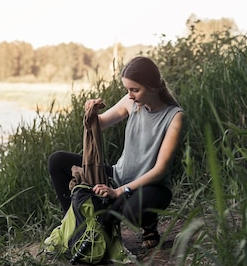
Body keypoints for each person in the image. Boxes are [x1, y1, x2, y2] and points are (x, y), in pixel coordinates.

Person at [48, 56, 184, 249]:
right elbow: (100, 124)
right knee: (58, 161)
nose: (130, 95)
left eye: (135, 90)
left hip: (152, 187)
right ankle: (76, 223)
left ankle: (148, 224)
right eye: (127, 89)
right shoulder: (131, 102)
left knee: (132, 211)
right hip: (118, 176)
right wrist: (91, 112)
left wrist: (119, 191)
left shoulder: (175, 117)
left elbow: (160, 170)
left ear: (153, 87)